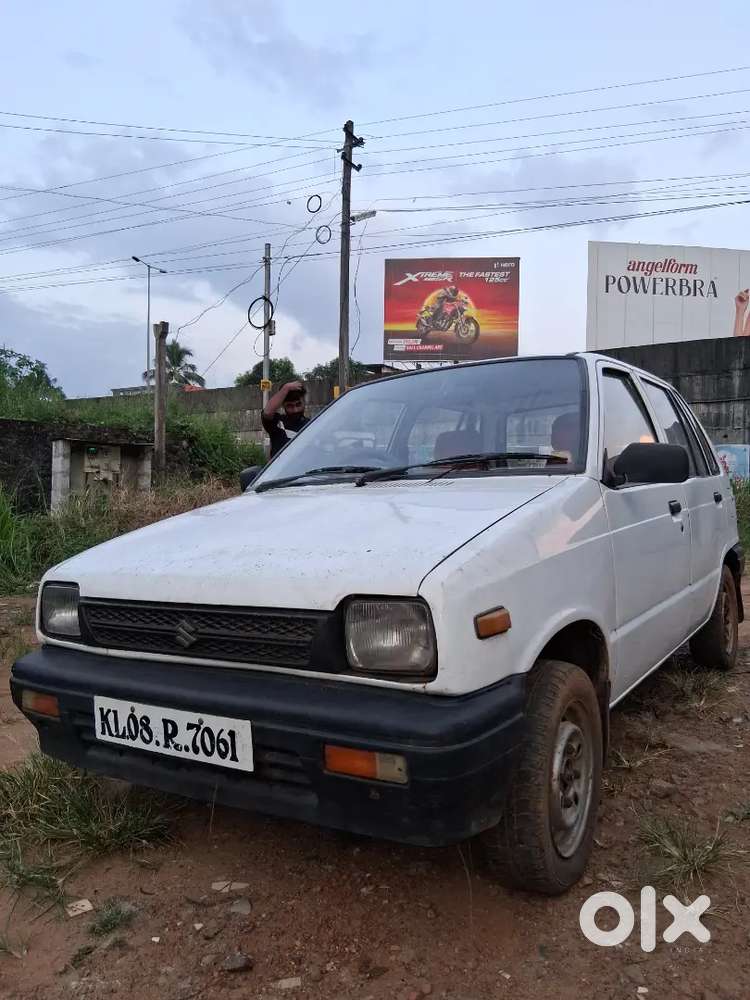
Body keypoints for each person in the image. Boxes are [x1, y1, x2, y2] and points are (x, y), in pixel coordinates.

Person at [262, 380, 310, 458]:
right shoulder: (277, 423)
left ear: (304, 402)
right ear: (283, 405)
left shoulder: (312, 425)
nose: (295, 410)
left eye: (298, 404)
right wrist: (286, 388)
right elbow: (267, 413)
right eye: (290, 406)